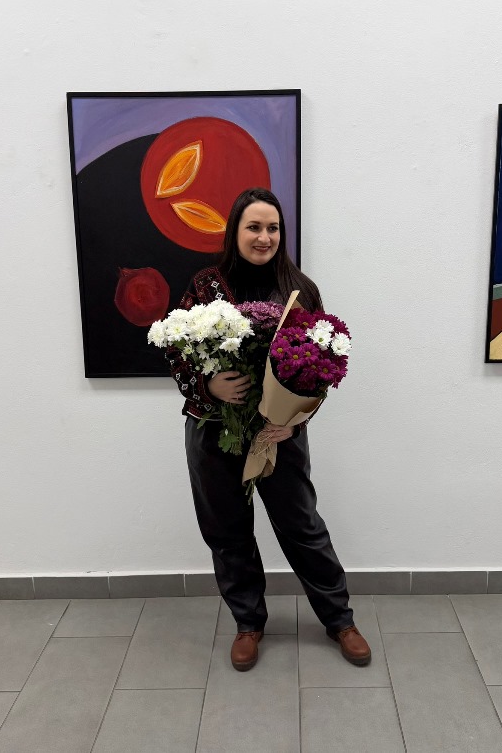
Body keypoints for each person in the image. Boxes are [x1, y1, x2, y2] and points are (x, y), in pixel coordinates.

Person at [167, 187, 370, 671]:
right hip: (214, 432)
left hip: (279, 435)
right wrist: (209, 385)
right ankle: (248, 623)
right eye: (253, 227)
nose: (264, 237)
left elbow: (323, 366)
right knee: (227, 531)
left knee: (302, 527)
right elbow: (176, 350)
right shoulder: (206, 287)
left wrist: (295, 419)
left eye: (273, 228)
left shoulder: (299, 289)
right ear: (234, 231)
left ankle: (340, 620)